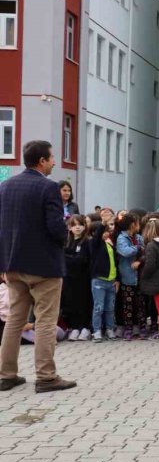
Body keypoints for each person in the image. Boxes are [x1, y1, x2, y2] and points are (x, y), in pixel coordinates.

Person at [0, 141, 76, 393]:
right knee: (45, 321)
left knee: (14, 320)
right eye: (52, 157)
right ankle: (46, 377)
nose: (54, 161)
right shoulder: (48, 187)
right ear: (42, 161)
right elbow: (55, 227)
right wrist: (66, 237)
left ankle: (6, 374)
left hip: (13, 264)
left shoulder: (6, 186)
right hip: (43, 266)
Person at [115, 213, 146, 340]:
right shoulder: (121, 238)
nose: (139, 226)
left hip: (139, 276)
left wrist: (139, 261)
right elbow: (125, 252)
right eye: (138, 223)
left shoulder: (139, 237)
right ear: (132, 225)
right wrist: (138, 248)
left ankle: (142, 327)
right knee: (127, 304)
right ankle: (128, 329)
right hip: (127, 277)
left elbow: (145, 253)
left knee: (140, 304)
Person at [61, 215, 92, 341]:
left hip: (83, 278)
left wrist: (68, 256)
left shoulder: (87, 242)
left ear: (85, 226)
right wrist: (72, 257)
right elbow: (63, 258)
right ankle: (74, 327)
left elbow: (82, 260)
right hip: (68, 278)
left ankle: (85, 327)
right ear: (69, 227)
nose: (77, 227)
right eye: (74, 225)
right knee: (71, 302)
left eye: (80, 224)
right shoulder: (67, 241)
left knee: (83, 302)